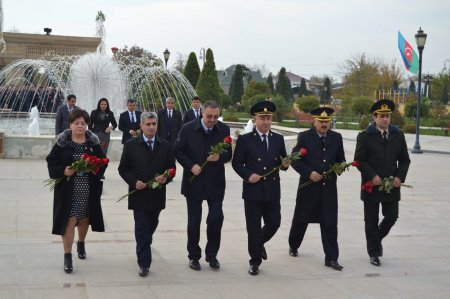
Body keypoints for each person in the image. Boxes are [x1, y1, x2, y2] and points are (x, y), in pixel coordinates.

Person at [232, 100, 289, 275]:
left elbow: (283, 161)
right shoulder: (245, 139)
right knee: (254, 227)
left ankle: (259, 244)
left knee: (274, 223)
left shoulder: (278, 139)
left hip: (272, 189)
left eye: (269, 118)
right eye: (262, 118)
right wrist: (248, 175)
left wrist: (286, 164)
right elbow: (237, 163)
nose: (265, 122)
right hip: (253, 191)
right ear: (254, 119)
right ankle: (255, 261)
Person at [173, 100, 231, 271]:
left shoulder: (224, 129)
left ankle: (212, 255)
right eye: (209, 116)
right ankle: (194, 256)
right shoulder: (188, 128)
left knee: (216, 217)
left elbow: (228, 154)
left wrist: (219, 157)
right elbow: (177, 150)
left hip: (215, 183)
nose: (213, 120)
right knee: (194, 221)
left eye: (216, 117)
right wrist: (191, 165)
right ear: (201, 114)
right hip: (194, 182)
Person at [46, 109, 107, 273]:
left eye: (83, 123)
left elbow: (103, 161)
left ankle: (81, 242)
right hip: (67, 189)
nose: (80, 126)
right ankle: (67, 255)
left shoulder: (92, 141)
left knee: (84, 219)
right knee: (69, 220)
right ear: (70, 124)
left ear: (87, 125)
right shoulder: (63, 141)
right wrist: (63, 171)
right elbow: (51, 162)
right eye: (76, 123)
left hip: (88, 188)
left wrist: (94, 169)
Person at [118, 112, 176, 277]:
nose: (151, 127)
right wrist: (133, 181)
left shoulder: (165, 145)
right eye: (148, 124)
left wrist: (165, 177)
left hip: (157, 196)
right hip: (138, 195)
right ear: (141, 126)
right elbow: (123, 169)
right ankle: (144, 262)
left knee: (151, 226)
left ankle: (144, 244)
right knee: (142, 228)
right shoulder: (131, 145)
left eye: (154, 124)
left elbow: (172, 169)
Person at [288, 107, 345, 271]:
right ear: (314, 121)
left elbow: (340, 159)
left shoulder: (336, 138)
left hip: (328, 189)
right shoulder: (305, 137)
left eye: (327, 121)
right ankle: (293, 244)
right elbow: (295, 159)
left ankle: (332, 258)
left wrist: (340, 168)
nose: (324, 124)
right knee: (301, 219)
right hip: (309, 188)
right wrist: (309, 173)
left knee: (330, 223)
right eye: (321, 121)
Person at [354, 99, 410, 266]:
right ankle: (374, 253)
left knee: (392, 216)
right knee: (371, 220)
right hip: (371, 185)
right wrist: (372, 175)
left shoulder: (397, 135)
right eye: (382, 116)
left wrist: (399, 177)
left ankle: (375, 239)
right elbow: (359, 160)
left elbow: (405, 160)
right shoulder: (365, 136)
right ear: (375, 117)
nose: (385, 119)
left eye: (387, 116)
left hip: (391, 185)